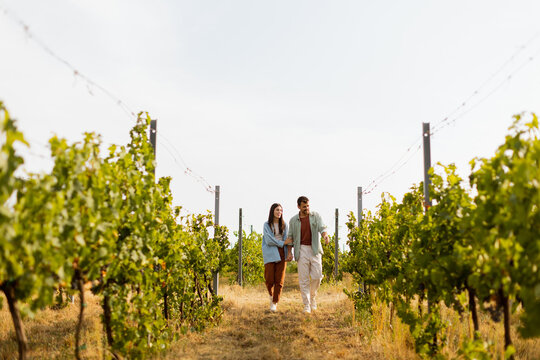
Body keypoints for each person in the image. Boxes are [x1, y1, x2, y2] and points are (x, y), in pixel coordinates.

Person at [286, 196, 329, 313]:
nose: (307, 208)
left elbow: (322, 227)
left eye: (308, 206)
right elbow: (290, 237)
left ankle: (312, 297)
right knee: (303, 279)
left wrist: (325, 235)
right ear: (298, 207)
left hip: (314, 249)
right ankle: (307, 305)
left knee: (317, 276)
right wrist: (289, 252)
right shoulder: (293, 220)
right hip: (301, 249)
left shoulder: (316, 216)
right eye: (304, 207)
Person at [262, 203, 293, 312]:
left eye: (281, 210)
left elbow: (289, 240)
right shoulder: (266, 225)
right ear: (272, 211)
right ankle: (271, 296)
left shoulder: (284, 225)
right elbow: (269, 240)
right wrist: (282, 242)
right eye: (277, 210)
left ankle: (275, 303)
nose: (279, 212)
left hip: (282, 252)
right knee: (269, 278)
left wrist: (289, 252)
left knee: (279, 280)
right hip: (270, 252)